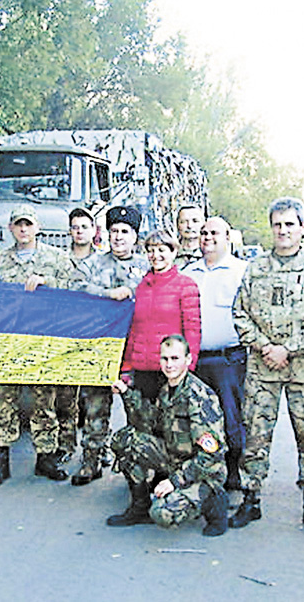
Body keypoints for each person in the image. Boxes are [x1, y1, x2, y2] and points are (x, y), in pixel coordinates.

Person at [229, 197, 304, 536]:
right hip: (263, 369)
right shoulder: (256, 267)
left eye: (290, 224)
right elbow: (239, 313)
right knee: (256, 434)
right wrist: (266, 347)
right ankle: (251, 499)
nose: (283, 230)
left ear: (303, 228)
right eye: (278, 224)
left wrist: (287, 348)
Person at [0, 204, 74, 485]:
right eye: (18, 224)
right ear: (11, 228)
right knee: (2, 400)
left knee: (43, 400)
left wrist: (48, 281)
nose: (23, 229)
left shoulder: (56, 258)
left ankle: (45, 458)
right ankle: (1, 462)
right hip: (9, 340)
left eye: (28, 224)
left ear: (37, 228)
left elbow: (74, 287)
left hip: (43, 339)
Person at [107, 334, 229, 536]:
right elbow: (149, 421)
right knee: (126, 440)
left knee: (162, 513)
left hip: (203, 471)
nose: (169, 364)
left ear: (188, 360)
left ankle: (213, 501)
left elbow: (211, 456)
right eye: (164, 358)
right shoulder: (167, 389)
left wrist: (174, 481)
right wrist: (126, 393)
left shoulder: (199, 397)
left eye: (175, 358)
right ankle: (140, 507)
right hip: (175, 458)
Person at [69, 206, 149, 485]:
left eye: (125, 232)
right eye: (114, 231)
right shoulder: (93, 263)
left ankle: (136, 465)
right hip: (100, 348)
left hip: (136, 349)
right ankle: (91, 460)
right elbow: (76, 289)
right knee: (94, 407)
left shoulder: (147, 266)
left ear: (135, 237)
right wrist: (107, 294)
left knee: (138, 410)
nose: (118, 237)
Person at [182, 216, 248, 491]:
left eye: (214, 233)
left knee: (231, 418)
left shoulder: (243, 271)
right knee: (198, 419)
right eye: (204, 233)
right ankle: (205, 472)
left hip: (228, 360)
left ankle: (232, 472)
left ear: (228, 237)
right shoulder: (188, 273)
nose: (207, 237)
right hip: (196, 360)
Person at [122, 230, 201, 408]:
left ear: (173, 252)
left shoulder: (186, 285)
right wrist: (126, 366)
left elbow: (193, 329)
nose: (155, 256)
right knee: (141, 425)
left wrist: (188, 367)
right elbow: (134, 329)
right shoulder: (141, 286)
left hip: (171, 369)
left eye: (161, 250)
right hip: (142, 371)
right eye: (151, 250)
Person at [53, 208, 99, 466]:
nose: (79, 231)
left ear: (94, 230)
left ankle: (96, 449)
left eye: (84, 226)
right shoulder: (59, 261)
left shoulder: (104, 261)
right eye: (75, 226)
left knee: (96, 400)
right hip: (66, 335)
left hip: (97, 338)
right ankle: (65, 444)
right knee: (66, 397)